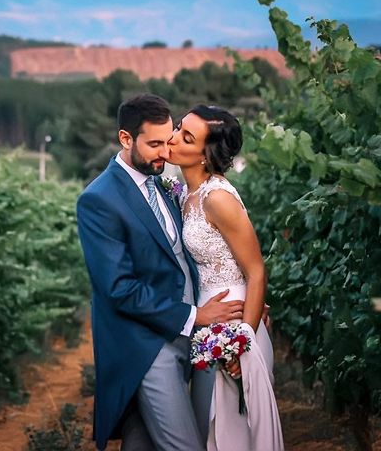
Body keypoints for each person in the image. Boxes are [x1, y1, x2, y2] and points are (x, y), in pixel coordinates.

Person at [76, 94, 244, 451]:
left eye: (168, 140)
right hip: (146, 347)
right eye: (153, 144)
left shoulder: (165, 187)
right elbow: (119, 288)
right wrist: (195, 315)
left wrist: (244, 295)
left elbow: (191, 256)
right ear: (125, 139)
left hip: (185, 340)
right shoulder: (99, 200)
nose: (164, 152)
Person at [167, 104, 284, 450]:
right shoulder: (183, 192)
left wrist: (242, 343)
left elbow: (256, 269)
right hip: (206, 320)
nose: (172, 138)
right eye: (177, 128)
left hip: (233, 325)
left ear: (205, 155)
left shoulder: (217, 198)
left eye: (186, 137)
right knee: (210, 430)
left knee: (234, 434)